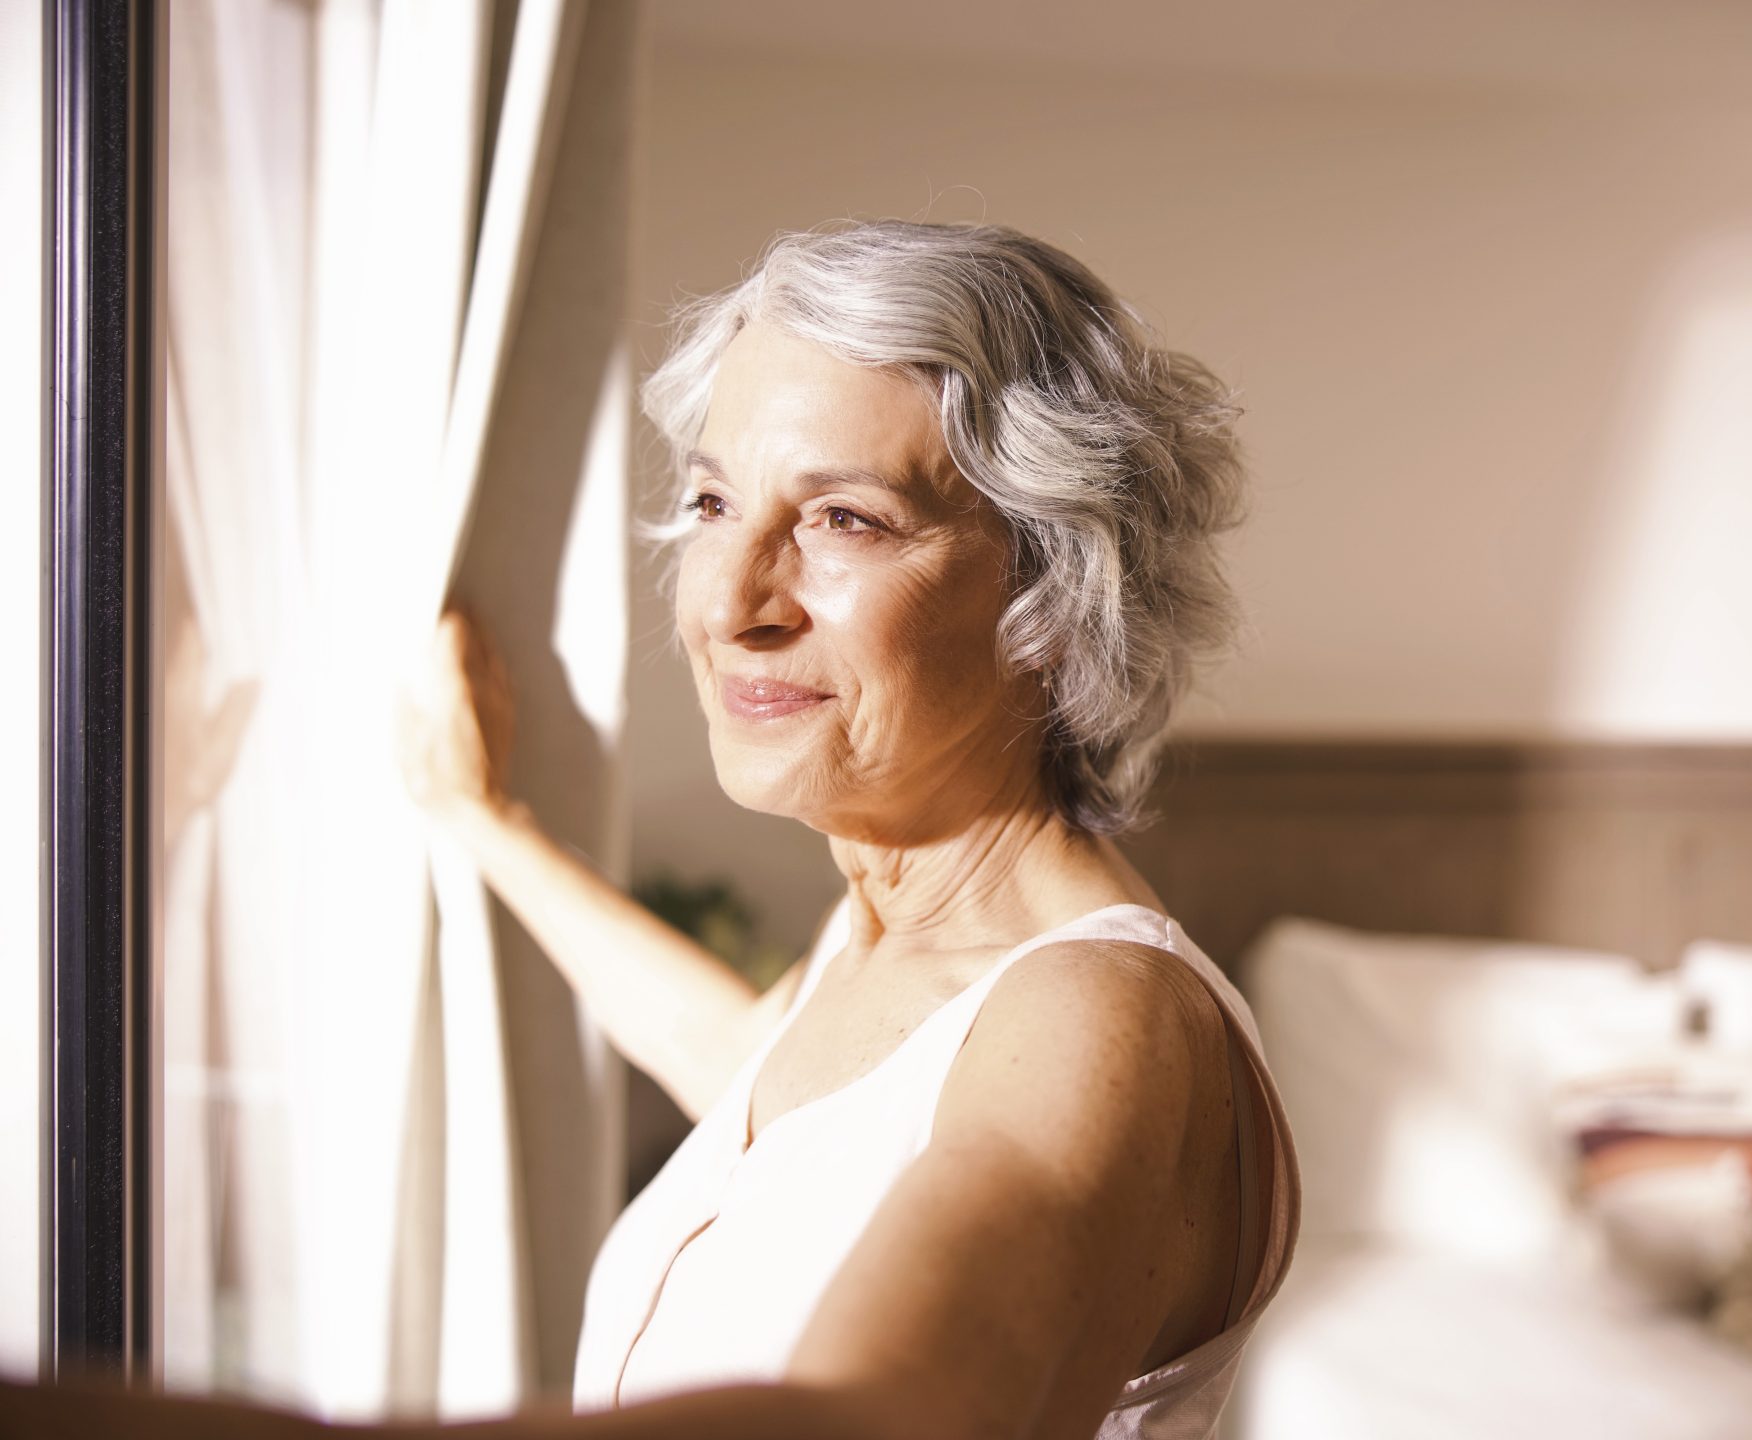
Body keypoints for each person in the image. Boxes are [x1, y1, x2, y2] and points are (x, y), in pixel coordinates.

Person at [2, 220, 1298, 1440]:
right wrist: (486, 821)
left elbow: (869, 1422)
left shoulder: (1096, 1013)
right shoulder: (884, 942)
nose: (732, 603)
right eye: (714, 504)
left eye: (845, 519)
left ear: (1058, 596)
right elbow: (749, 1071)